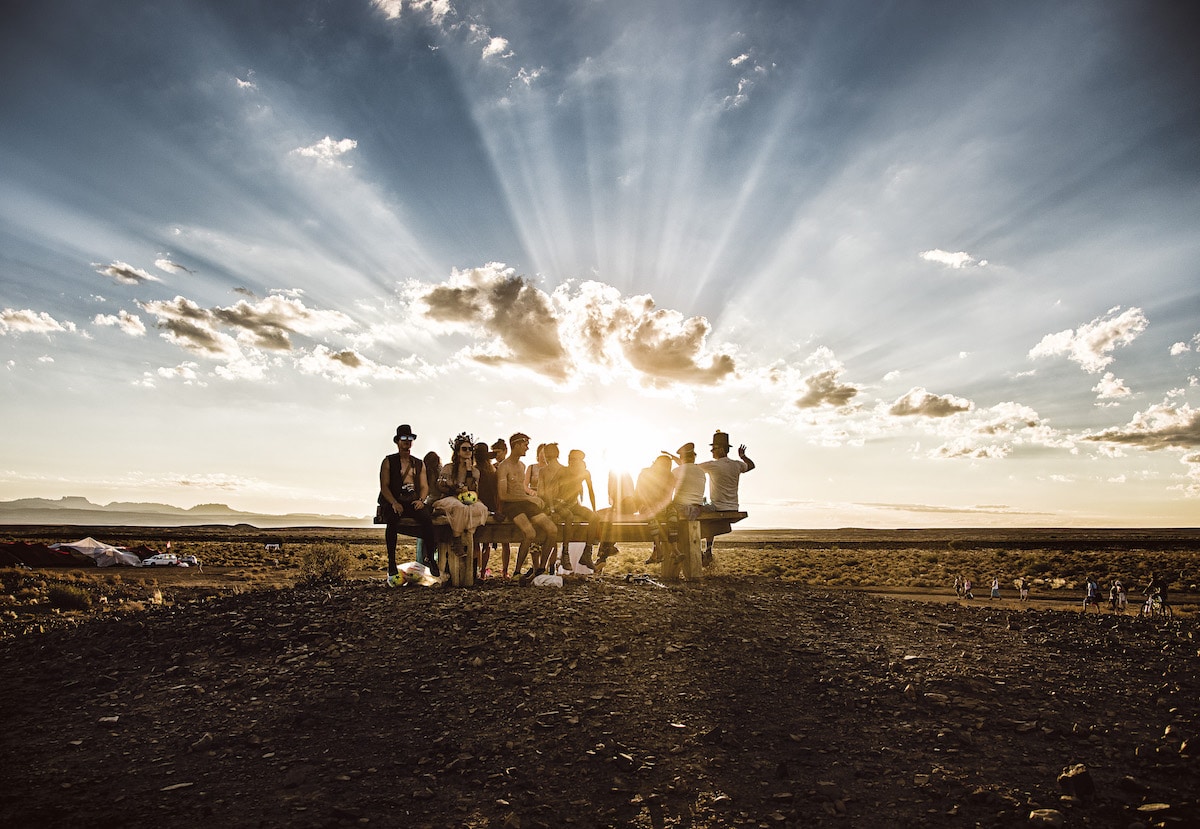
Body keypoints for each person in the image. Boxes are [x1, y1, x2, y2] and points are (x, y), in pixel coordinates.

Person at [378, 424, 438, 579]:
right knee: (392, 520)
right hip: (394, 500)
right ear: (398, 441)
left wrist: (421, 500)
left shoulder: (418, 463)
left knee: (427, 520)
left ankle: (431, 558)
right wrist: (393, 502)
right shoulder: (389, 461)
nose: (407, 442)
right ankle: (392, 562)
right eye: (404, 438)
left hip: (412, 500)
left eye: (410, 438)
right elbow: (384, 486)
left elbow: (425, 486)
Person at [497, 432, 558, 581]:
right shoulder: (503, 467)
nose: (527, 448)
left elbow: (521, 489)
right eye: (525, 445)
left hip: (524, 502)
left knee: (552, 530)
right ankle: (517, 572)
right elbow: (503, 495)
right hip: (511, 505)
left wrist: (532, 498)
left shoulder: (522, 465)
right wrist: (529, 498)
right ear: (516, 445)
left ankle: (541, 569)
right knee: (530, 533)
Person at [698, 430, 755, 565]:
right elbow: (751, 466)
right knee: (709, 517)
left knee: (693, 510)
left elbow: (690, 468)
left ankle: (697, 547)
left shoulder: (713, 465)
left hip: (717, 507)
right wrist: (743, 456)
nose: (712, 451)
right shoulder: (737, 464)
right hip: (733, 506)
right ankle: (709, 550)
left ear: (721, 449)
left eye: (714, 448)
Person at [433, 433, 490, 561]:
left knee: (481, 509)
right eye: (464, 449)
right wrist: (455, 489)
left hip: (468, 499)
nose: (468, 451)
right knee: (459, 507)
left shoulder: (475, 471)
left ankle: (467, 531)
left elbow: (472, 489)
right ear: (458, 452)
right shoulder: (449, 468)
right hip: (450, 497)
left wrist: (469, 471)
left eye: (470, 449)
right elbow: (440, 486)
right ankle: (456, 539)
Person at [636, 453, 680, 565]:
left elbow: (669, 495)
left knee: (673, 515)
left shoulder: (669, 476)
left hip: (662, 506)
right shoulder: (645, 473)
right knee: (651, 515)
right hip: (645, 504)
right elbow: (639, 492)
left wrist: (662, 505)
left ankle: (674, 549)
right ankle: (659, 550)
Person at [474, 441, 505, 579]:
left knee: (475, 541)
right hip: (490, 507)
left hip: (476, 506)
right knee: (486, 543)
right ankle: (482, 572)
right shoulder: (493, 472)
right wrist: (498, 508)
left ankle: (476, 569)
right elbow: (496, 493)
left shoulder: (474, 471)